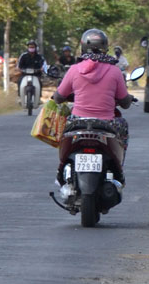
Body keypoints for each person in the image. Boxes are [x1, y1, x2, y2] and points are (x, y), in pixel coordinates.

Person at [53, 28, 132, 185]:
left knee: (61, 131)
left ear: (83, 47)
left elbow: (58, 97)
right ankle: (119, 171)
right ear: (105, 47)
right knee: (123, 127)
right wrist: (127, 98)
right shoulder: (115, 71)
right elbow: (125, 102)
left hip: (77, 122)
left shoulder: (74, 69)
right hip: (107, 124)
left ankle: (61, 169)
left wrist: (60, 96)